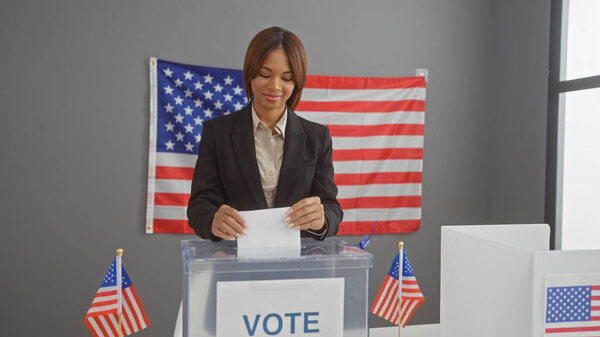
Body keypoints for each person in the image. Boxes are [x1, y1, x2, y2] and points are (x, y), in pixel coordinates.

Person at [187, 26, 342, 241]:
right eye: (265, 74)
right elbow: (199, 205)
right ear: (250, 73)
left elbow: (332, 207)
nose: (275, 86)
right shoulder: (217, 133)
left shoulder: (317, 137)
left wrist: (322, 219)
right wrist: (212, 219)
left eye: (287, 78)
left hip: (300, 266)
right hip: (235, 262)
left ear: (297, 82)